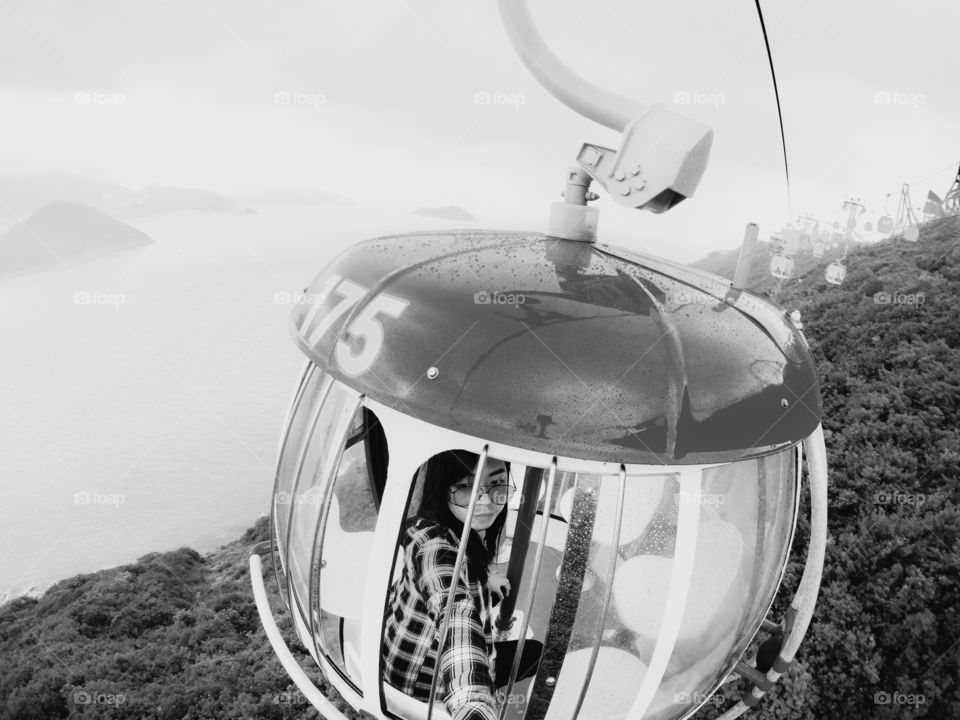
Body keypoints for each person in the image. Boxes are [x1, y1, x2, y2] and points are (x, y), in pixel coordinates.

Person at [382, 450, 542, 720]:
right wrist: (474, 706)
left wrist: (485, 577)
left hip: (397, 654)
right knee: (535, 652)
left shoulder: (430, 525)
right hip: (424, 684)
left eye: (496, 483)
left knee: (497, 596)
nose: (486, 501)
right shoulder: (436, 549)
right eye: (467, 486)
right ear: (443, 487)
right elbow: (455, 613)